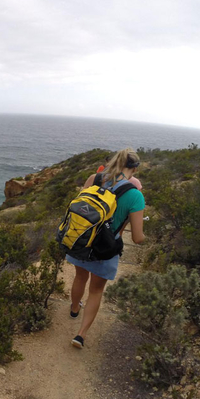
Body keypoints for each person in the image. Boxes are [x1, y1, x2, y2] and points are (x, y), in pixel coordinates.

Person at [68, 148, 146, 349]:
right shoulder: (135, 196)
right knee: (95, 290)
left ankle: (74, 308)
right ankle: (80, 335)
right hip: (105, 249)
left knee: (80, 277)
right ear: (135, 168)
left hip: (82, 240)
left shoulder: (94, 179)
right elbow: (137, 238)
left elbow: (78, 207)